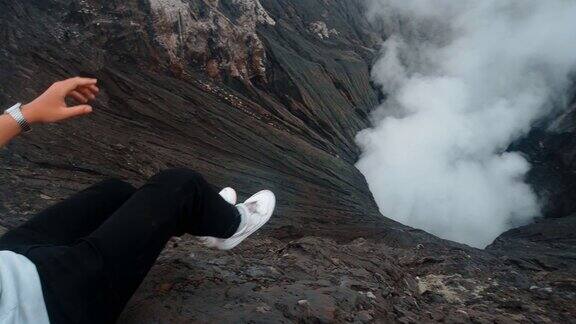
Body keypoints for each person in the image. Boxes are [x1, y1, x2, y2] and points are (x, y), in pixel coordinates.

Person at [0, 77, 276, 323]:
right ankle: (231, 226)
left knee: (113, 195)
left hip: (9, 263)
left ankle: (199, 217)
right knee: (181, 186)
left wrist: (28, 114)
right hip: (45, 304)